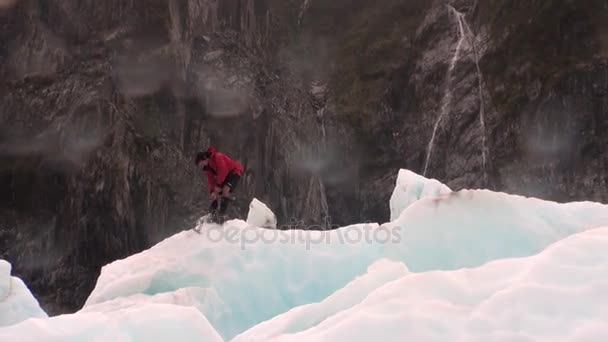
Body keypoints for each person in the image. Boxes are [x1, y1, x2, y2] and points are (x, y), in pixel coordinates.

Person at [195, 146, 244, 223]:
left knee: (225, 189)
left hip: (235, 171)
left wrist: (218, 186)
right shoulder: (207, 168)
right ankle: (212, 214)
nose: (202, 166)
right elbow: (210, 180)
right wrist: (212, 191)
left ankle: (222, 215)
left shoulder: (218, 157)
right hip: (225, 175)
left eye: (202, 163)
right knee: (215, 194)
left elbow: (223, 170)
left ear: (204, 158)